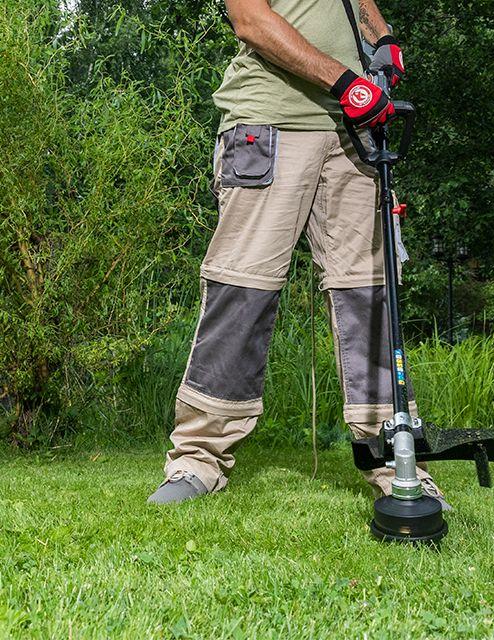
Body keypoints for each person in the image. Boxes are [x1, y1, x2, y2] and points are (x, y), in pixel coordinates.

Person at [148, 0, 450, 509]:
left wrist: (383, 41)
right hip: (269, 123)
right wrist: (345, 82)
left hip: (353, 136)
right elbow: (251, 20)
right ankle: (197, 459)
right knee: (242, 291)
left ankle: (396, 460)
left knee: (370, 295)